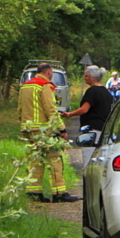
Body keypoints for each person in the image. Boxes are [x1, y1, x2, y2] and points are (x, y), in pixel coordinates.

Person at [19, 63, 78, 202]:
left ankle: (34, 192)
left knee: (35, 160)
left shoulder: (26, 86)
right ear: (49, 72)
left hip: (28, 128)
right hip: (43, 129)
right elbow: (50, 109)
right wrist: (61, 128)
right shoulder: (44, 85)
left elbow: (20, 109)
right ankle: (59, 192)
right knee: (54, 159)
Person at [62, 66, 113, 130]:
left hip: (91, 127)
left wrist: (69, 114)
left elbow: (84, 109)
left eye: (86, 76)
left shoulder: (92, 91)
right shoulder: (106, 91)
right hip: (103, 127)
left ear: (93, 78)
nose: (84, 78)